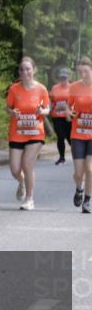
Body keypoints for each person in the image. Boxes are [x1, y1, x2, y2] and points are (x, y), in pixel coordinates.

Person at [5, 56, 50, 210]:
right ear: (19, 72)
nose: (25, 72)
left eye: (28, 69)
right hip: (17, 132)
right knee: (15, 169)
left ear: (34, 70)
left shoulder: (41, 89)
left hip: (35, 133)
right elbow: (8, 108)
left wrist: (42, 111)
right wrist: (13, 112)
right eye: (22, 69)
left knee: (27, 164)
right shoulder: (14, 89)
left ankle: (30, 199)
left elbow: (48, 109)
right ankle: (22, 181)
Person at [67, 57, 92, 213]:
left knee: (90, 169)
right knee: (78, 172)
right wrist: (70, 113)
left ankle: (87, 200)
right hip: (78, 133)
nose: (82, 74)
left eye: (86, 71)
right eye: (79, 71)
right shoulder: (74, 87)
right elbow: (68, 109)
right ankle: (79, 188)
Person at [50, 67, 72, 165]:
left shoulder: (72, 88)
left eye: (65, 78)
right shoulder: (55, 88)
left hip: (68, 117)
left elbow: (75, 103)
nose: (63, 80)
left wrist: (66, 108)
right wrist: (47, 110)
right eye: (61, 78)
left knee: (70, 137)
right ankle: (62, 158)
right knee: (60, 136)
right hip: (57, 117)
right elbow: (51, 101)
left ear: (68, 77)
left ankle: (78, 156)